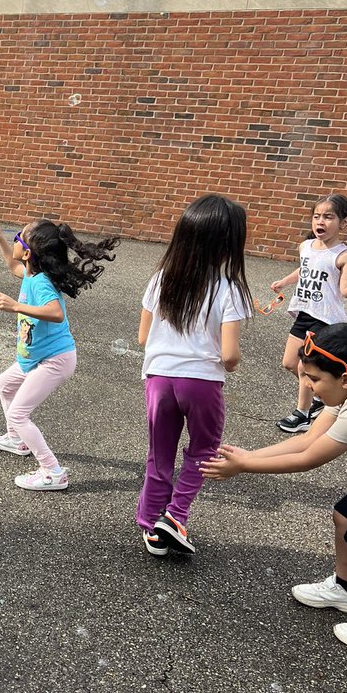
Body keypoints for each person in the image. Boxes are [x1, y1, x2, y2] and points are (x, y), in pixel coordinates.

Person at [201, 323, 347, 652]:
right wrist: (250, 456)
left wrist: (243, 466)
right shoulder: (344, 391)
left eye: (314, 380)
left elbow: (310, 459)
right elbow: (308, 438)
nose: (309, 387)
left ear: (345, 379)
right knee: (345, 518)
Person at [136, 194, 251, 557]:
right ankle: (175, 515)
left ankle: (150, 523)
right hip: (201, 382)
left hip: (157, 378)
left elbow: (143, 337)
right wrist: (230, 364)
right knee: (203, 450)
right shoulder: (229, 289)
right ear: (228, 245)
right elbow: (230, 354)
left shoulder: (160, 279)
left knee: (160, 453)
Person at [0, 206, 118, 490]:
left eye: (17, 239)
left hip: (54, 360)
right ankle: (16, 439)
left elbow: (55, 313)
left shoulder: (41, 283)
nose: (14, 241)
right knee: (5, 384)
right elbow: (12, 265)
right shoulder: (32, 275)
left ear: (29, 253)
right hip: (36, 357)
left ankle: (52, 470)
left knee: (20, 412)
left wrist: (16, 306)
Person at [269, 193, 347, 434]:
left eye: (328, 217)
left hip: (325, 318)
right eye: (317, 216)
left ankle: (302, 414)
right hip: (305, 313)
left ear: (344, 223)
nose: (320, 221)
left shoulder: (344, 255)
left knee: (303, 367)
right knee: (289, 363)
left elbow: (346, 290)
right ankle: (320, 397)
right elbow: (305, 268)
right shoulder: (306, 246)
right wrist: (284, 281)